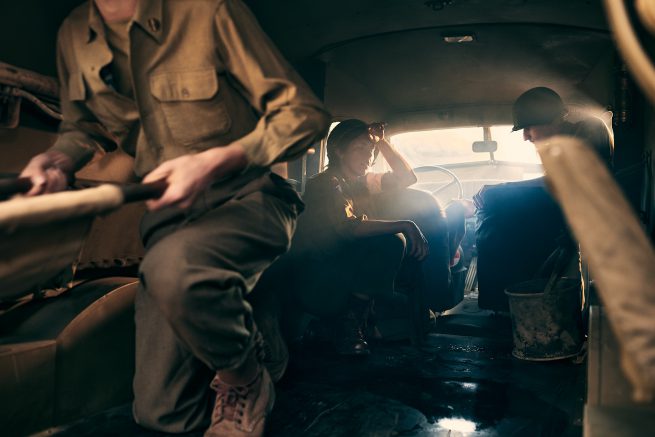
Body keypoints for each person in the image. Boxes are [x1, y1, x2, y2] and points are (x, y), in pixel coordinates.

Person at [18, 0, 330, 435]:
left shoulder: (207, 11)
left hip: (248, 198)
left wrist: (215, 161)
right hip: (169, 220)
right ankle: (232, 322)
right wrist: (57, 159)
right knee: (159, 412)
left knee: (176, 269)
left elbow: (305, 116)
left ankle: (246, 378)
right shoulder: (75, 32)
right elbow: (81, 128)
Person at [286, 119, 451, 354]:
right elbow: (347, 227)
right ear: (339, 151)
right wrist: (405, 224)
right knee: (391, 241)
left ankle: (333, 329)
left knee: (423, 318)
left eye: (370, 150)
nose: (368, 156)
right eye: (360, 148)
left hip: (349, 279)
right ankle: (348, 327)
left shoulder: (359, 184)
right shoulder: (325, 184)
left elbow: (406, 178)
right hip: (322, 281)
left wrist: (381, 141)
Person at [512, 86, 614, 168]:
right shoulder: (554, 150)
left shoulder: (591, 129)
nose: (525, 137)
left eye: (528, 128)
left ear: (554, 121)